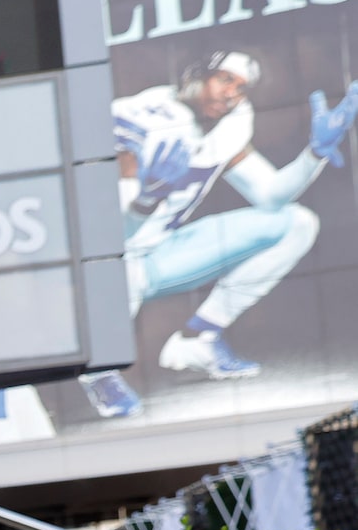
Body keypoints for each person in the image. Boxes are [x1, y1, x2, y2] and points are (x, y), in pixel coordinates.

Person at [81, 53, 358, 417]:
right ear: (195, 76)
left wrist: (313, 154)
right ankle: (99, 371)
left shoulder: (229, 125)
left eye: (241, 87)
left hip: (160, 254)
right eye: (225, 79)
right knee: (120, 266)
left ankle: (199, 339)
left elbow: (270, 194)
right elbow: (103, 233)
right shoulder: (138, 116)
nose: (232, 93)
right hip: (104, 264)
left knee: (296, 223)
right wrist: (147, 198)